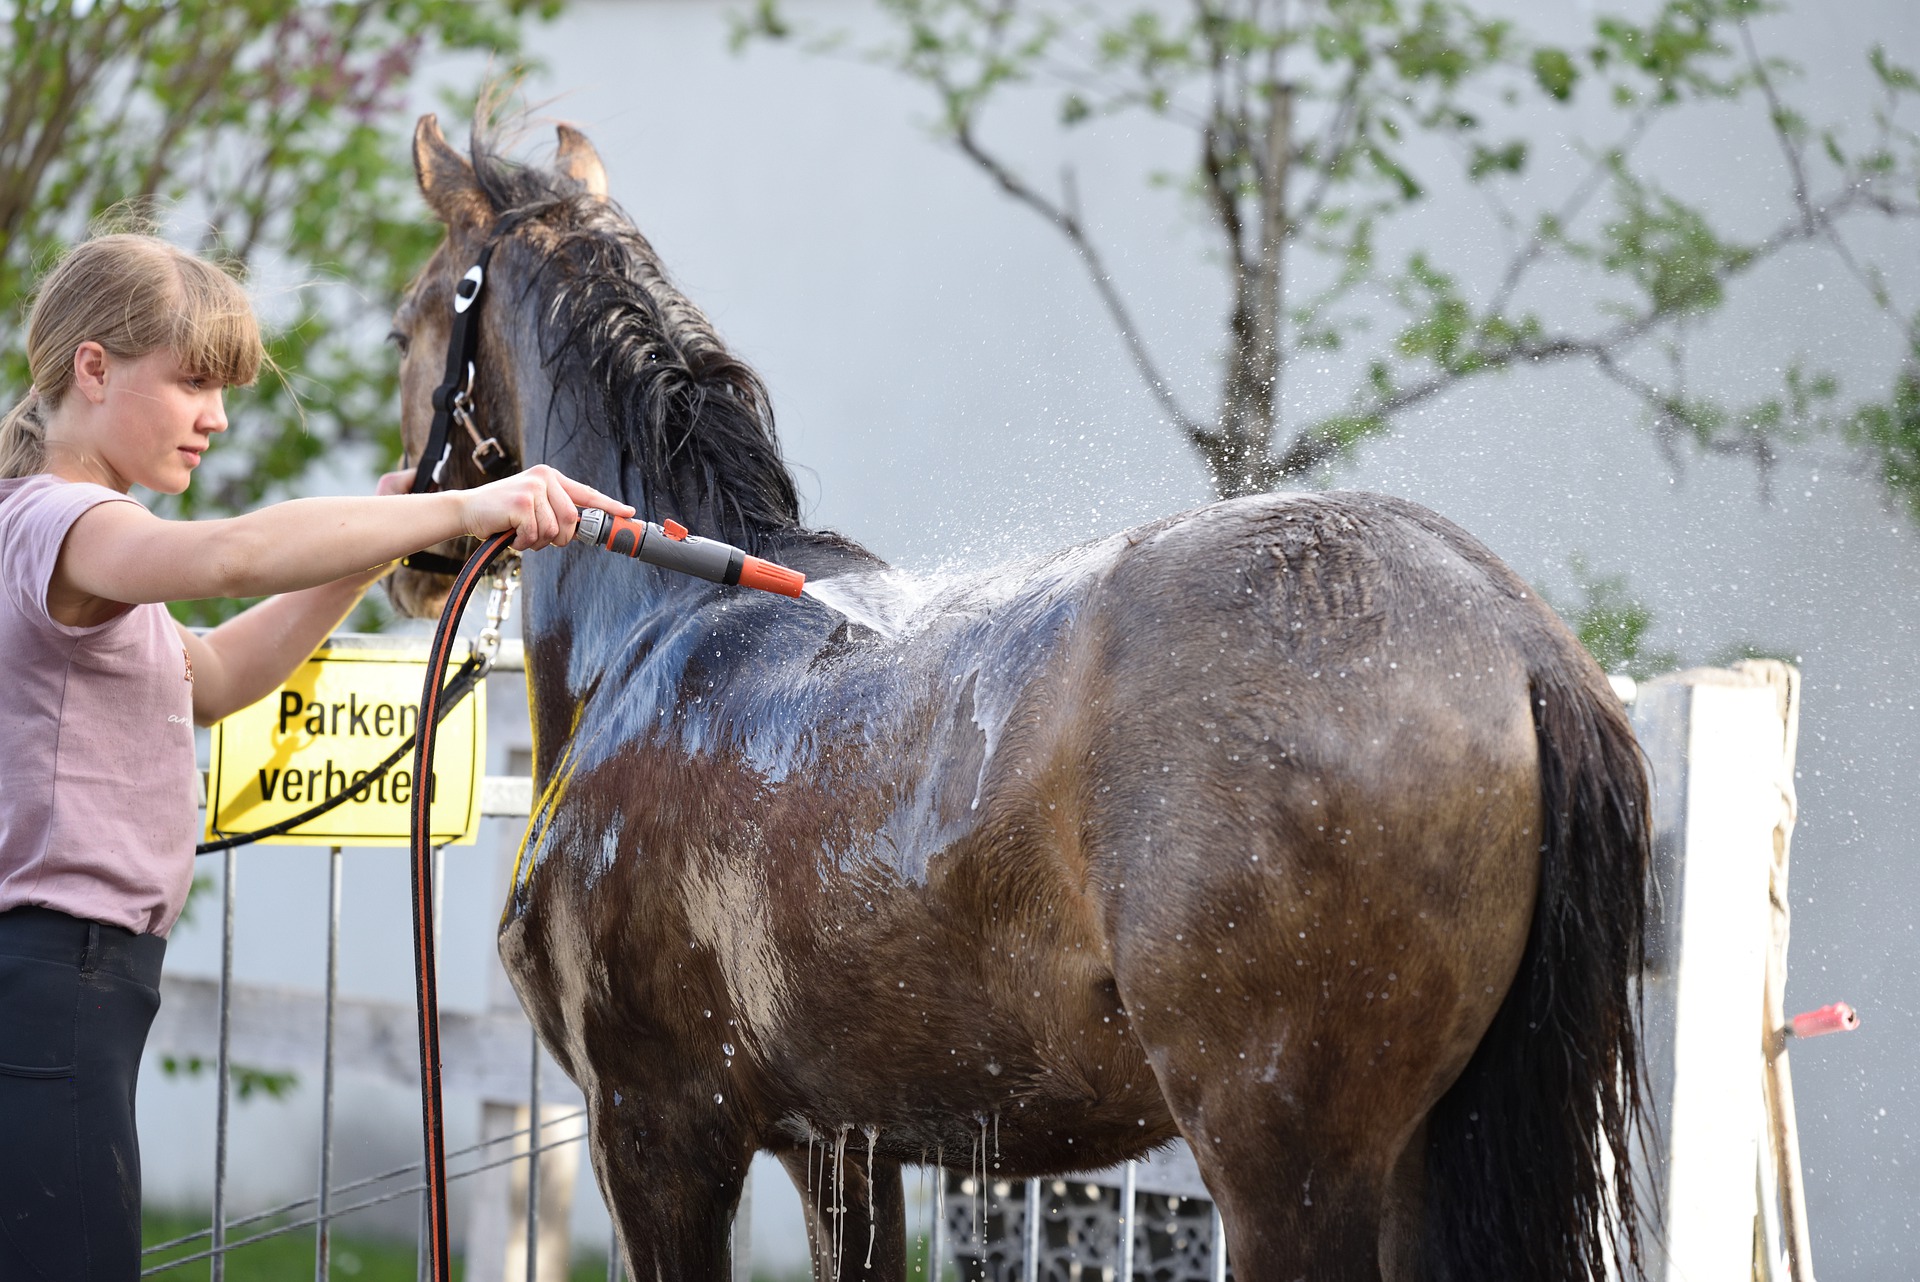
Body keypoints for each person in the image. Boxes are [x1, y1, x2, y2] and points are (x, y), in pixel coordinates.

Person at [0, 232, 628, 1280]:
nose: (218, 416)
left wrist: (376, 544)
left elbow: (210, 680)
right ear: (93, 369)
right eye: (194, 383)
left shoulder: (66, 541)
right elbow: (227, 553)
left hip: (83, 982)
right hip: (58, 977)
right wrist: (470, 506)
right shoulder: (67, 523)